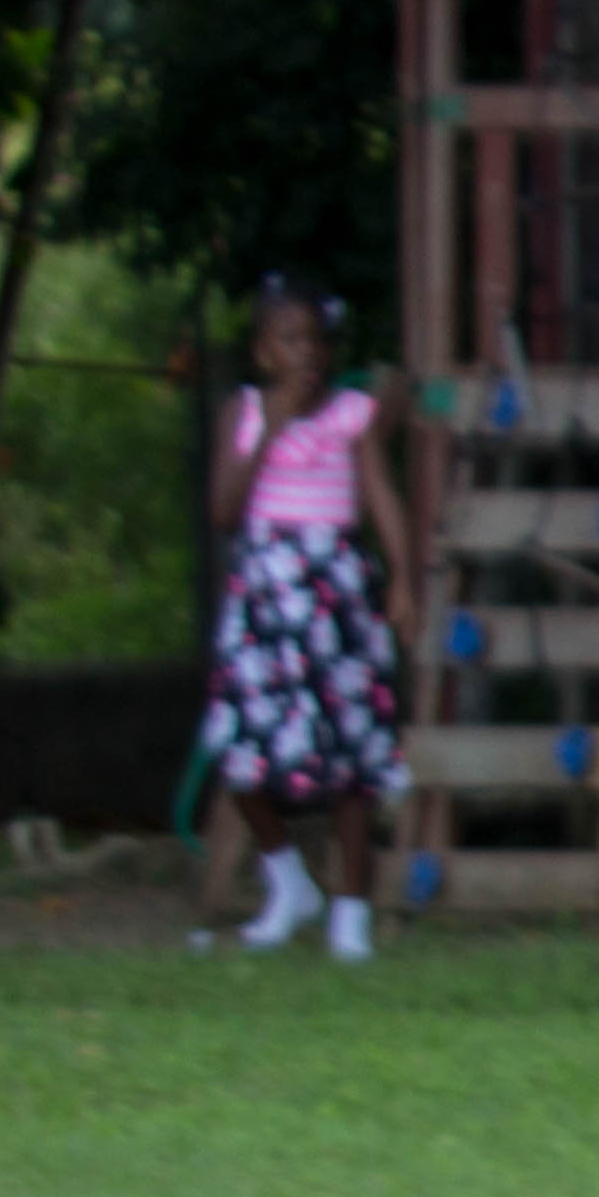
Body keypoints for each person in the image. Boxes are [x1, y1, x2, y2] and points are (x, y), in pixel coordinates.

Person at [195, 278, 417, 963]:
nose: (307, 354)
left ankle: (351, 910)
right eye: (289, 341)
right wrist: (274, 427)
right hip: (264, 603)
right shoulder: (244, 411)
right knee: (240, 752)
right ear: (264, 353)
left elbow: (381, 496)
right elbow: (224, 512)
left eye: (316, 340)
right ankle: (287, 882)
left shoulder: (351, 414)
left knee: (349, 759)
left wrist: (403, 577)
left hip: (335, 600)